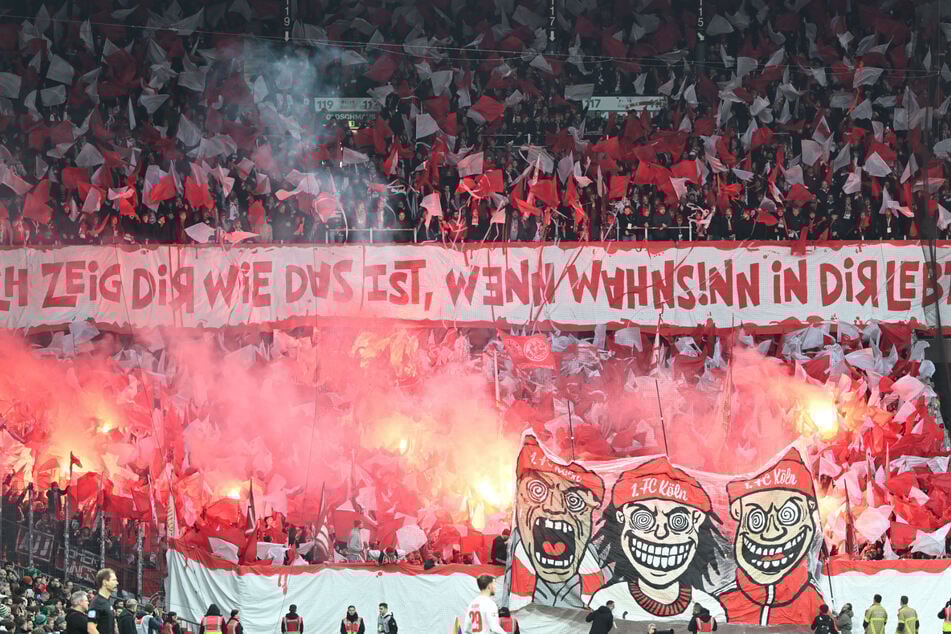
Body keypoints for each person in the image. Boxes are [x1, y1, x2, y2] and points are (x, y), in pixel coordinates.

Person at [87, 568, 118, 634]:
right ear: (104, 582)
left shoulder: (107, 602)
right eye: (114, 580)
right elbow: (91, 628)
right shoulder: (96, 602)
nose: (117, 583)